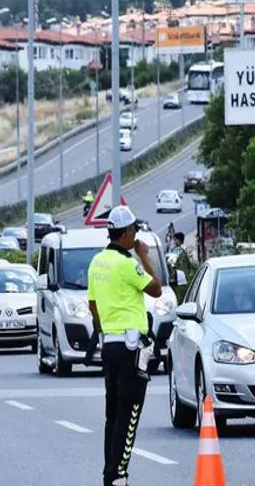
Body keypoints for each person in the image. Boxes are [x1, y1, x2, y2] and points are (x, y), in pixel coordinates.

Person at [88, 206, 162, 486]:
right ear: (128, 232)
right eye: (135, 230)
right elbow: (157, 288)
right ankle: (118, 475)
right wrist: (143, 256)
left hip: (110, 345)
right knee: (129, 413)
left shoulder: (97, 262)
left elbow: (93, 304)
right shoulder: (128, 263)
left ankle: (110, 472)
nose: (137, 235)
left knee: (112, 414)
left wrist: (107, 325)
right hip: (132, 348)